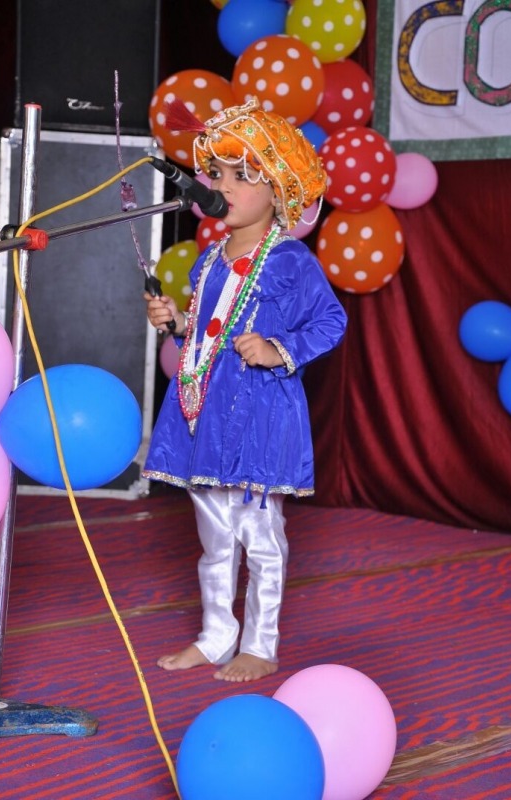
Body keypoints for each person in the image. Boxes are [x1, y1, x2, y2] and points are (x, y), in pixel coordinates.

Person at [142, 97, 347, 682]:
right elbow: (212, 327)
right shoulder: (209, 258)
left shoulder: (290, 260)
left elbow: (331, 322)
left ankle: (260, 643)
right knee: (213, 537)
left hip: (258, 414)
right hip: (203, 412)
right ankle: (215, 635)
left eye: (241, 176)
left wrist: (278, 350)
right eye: (218, 175)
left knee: (260, 534)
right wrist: (176, 323)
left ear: (278, 187)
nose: (222, 187)